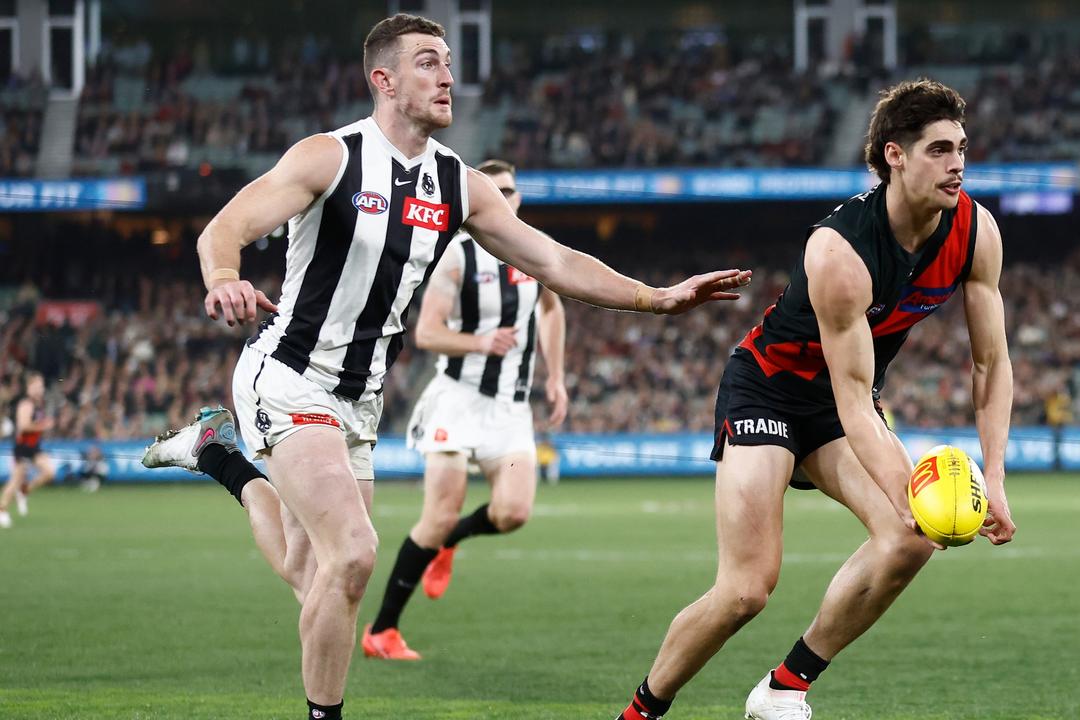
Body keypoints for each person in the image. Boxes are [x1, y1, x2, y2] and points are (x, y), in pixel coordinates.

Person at [141, 14, 749, 720]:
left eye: (449, 64)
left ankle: (220, 457)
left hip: (359, 402)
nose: (448, 77)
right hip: (287, 376)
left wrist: (655, 298)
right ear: (385, 80)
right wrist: (222, 275)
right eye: (429, 63)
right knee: (355, 556)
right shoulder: (329, 158)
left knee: (319, 576)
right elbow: (227, 227)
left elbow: (553, 261)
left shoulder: (458, 184)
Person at [615, 78, 1016, 720]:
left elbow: (991, 363)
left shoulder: (976, 233)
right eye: (940, 149)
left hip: (836, 403)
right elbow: (857, 401)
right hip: (768, 388)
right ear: (895, 154)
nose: (958, 163)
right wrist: (906, 493)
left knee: (911, 541)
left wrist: (993, 476)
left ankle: (784, 687)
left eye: (962, 147)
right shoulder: (839, 250)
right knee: (746, 589)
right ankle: (639, 713)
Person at [362, 158, 569, 660]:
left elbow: (551, 307)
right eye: (495, 190)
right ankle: (382, 631)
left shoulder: (533, 253)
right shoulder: (456, 256)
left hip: (510, 407)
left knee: (514, 512)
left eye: (511, 190)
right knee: (436, 514)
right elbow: (428, 332)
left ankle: (451, 541)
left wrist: (557, 376)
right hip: (457, 401)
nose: (506, 197)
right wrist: (479, 343)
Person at [0, 372, 56, 528]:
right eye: (36, 386)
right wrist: (44, 425)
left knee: (49, 472)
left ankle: (24, 490)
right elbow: (23, 426)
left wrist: (43, 425)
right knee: (15, 480)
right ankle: (2, 509)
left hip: (34, 447)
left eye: (41, 386)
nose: (39, 389)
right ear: (28, 388)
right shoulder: (26, 404)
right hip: (23, 448)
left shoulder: (40, 404)